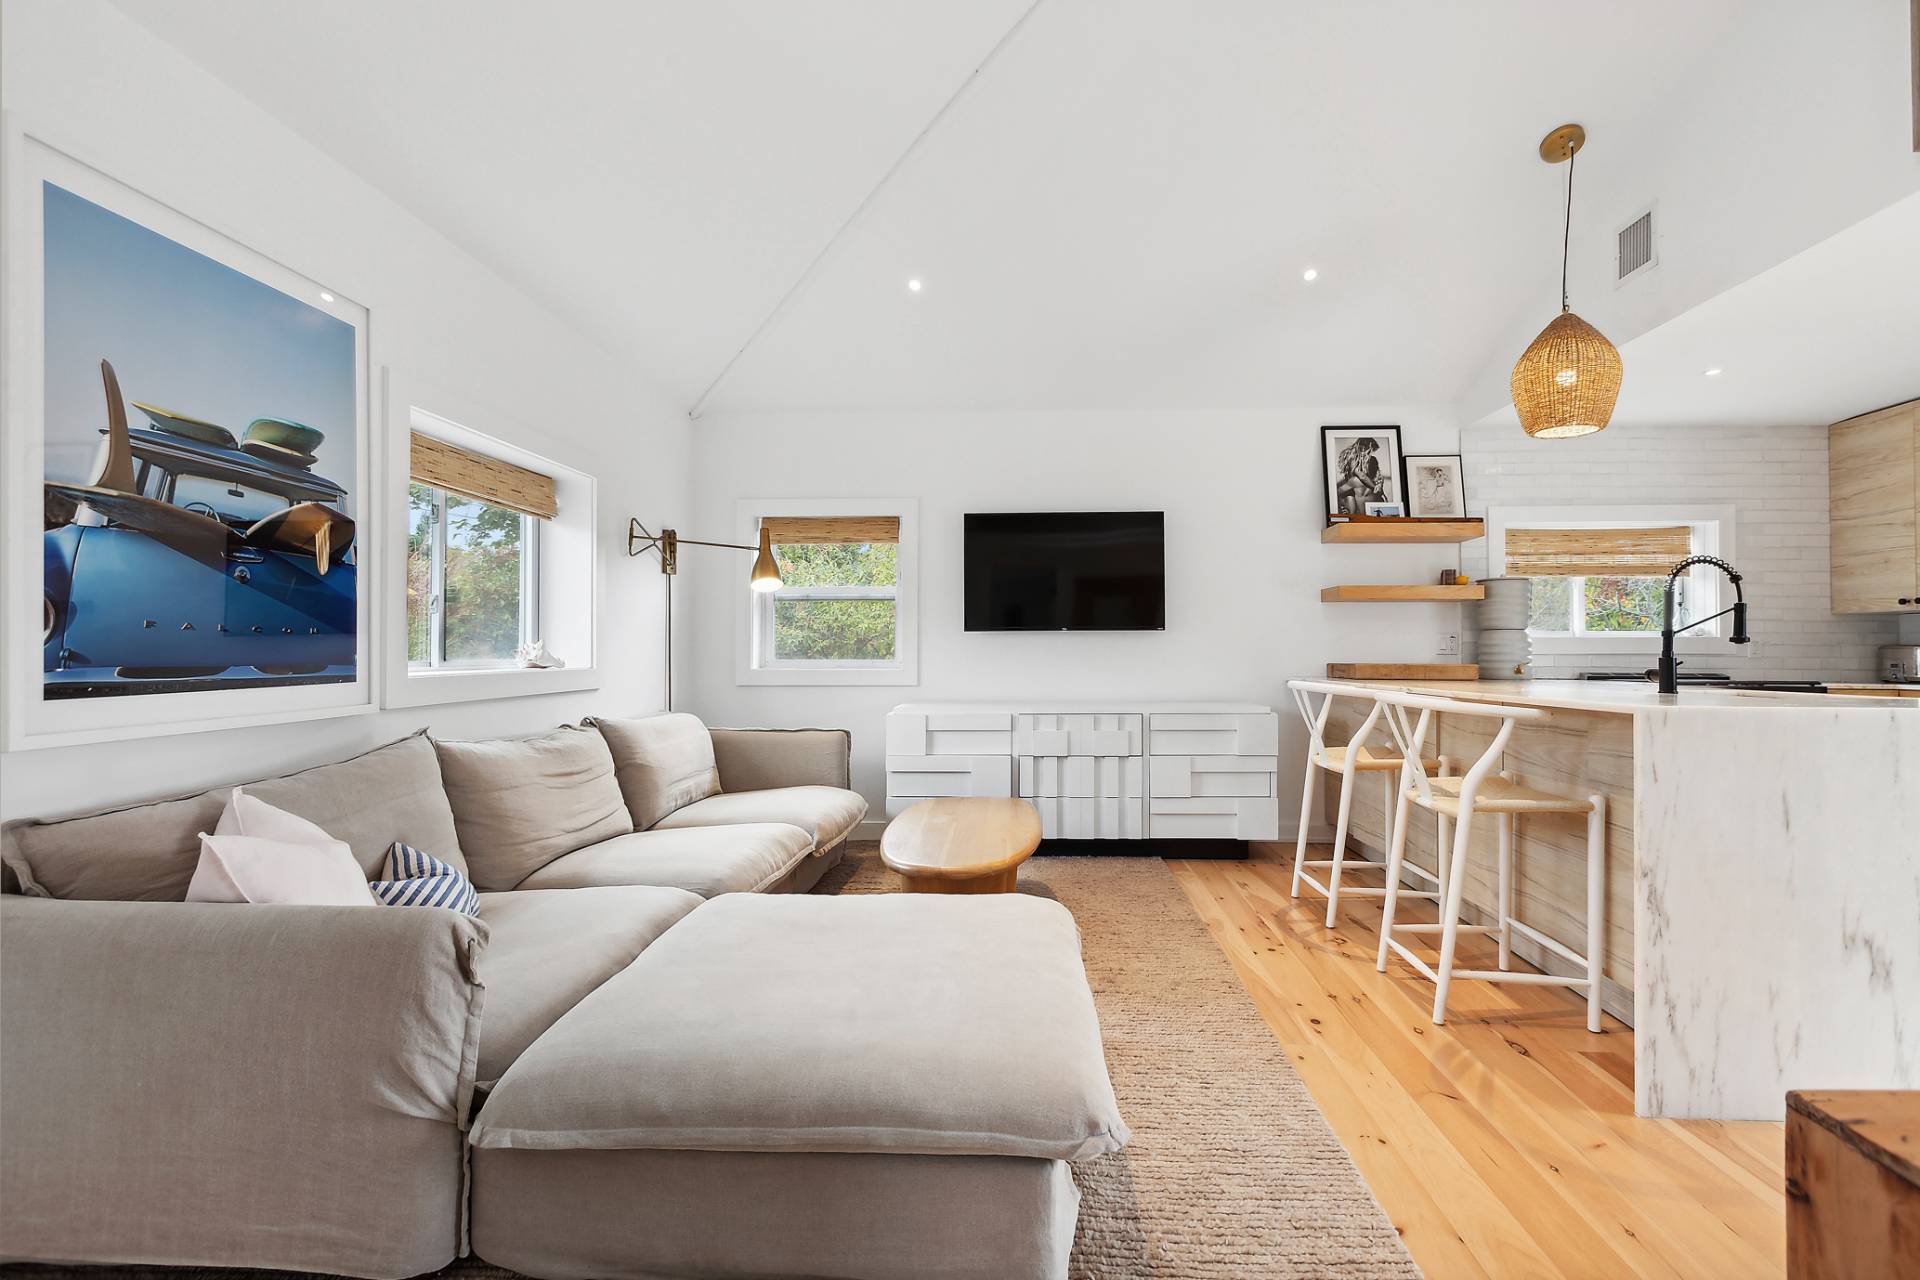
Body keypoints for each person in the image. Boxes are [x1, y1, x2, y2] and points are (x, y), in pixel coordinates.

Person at [1335, 437, 1387, 514]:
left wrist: (1341, 509)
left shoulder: (1356, 481)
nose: (1368, 457)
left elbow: (1334, 493)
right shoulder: (1375, 483)